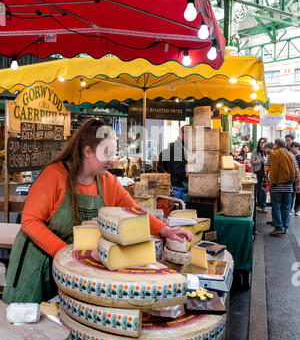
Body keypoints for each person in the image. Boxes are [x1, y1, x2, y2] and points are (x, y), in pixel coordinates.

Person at [3, 119, 193, 304]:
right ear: (88, 151)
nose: (112, 161)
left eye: (114, 154)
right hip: (37, 261)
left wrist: (164, 230)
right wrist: (64, 252)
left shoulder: (108, 181)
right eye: (107, 154)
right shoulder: (53, 175)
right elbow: (30, 221)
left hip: (75, 265)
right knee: (30, 325)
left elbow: (133, 210)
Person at [264, 138, 298, 236]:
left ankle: (279, 227)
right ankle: (285, 227)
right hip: (289, 186)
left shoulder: (273, 154)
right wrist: (297, 184)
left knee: (276, 207)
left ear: (276, 145)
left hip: (276, 185)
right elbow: (296, 170)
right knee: (286, 207)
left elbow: (266, 168)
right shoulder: (291, 155)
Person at [251, 138, 267, 212]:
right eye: (260, 143)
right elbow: (252, 162)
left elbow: (269, 161)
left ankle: (264, 206)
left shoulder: (267, 151)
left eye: (263, 143)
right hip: (258, 172)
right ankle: (259, 205)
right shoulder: (255, 151)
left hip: (266, 173)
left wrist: (265, 161)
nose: (261, 144)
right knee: (258, 190)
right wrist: (260, 161)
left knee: (264, 190)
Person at [290, 142, 300, 216]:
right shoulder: (291, 156)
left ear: (297, 147)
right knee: (291, 193)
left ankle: (297, 209)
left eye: (293, 147)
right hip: (292, 177)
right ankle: (290, 209)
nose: (291, 148)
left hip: (299, 177)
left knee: (298, 194)